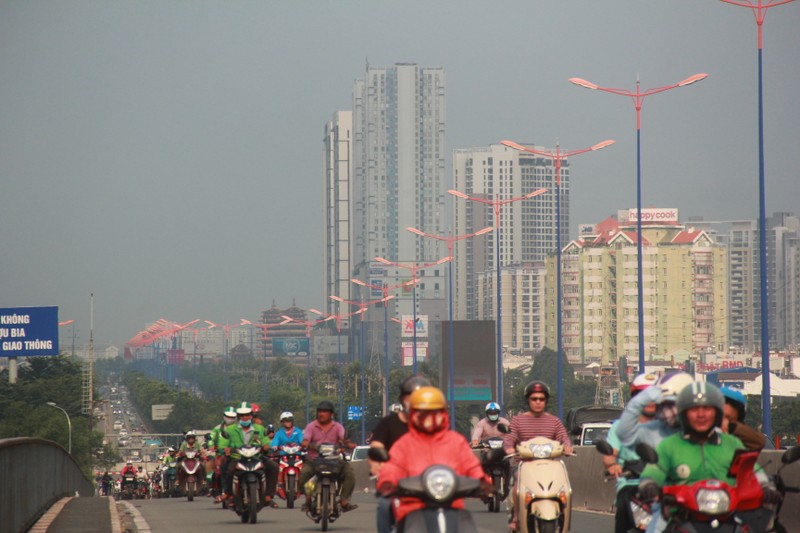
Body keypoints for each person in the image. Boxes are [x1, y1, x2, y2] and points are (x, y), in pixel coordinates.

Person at [638, 381, 777, 533]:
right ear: (683, 413)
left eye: (707, 408)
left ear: (717, 413)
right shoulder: (669, 445)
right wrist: (649, 485)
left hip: (728, 517)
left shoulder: (731, 443)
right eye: (694, 409)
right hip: (681, 517)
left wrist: (766, 487)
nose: (701, 415)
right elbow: (654, 471)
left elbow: (751, 470)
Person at [377, 386, 489, 525]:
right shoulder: (404, 444)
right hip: (413, 511)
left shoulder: (456, 441)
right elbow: (392, 467)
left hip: (452, 509)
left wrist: (482, 482)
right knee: (384, 505)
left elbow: (471, 465)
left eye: (434, 412)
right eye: (422, 412)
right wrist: (388, 482)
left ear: (443, 413)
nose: (428, 417)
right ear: (413, 415)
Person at [503, 381, 572, 531]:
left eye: (541, 399)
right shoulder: (518, 420)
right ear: (528, 400)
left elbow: (564, 437)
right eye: (534, 399)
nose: (538, 402)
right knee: (516, 487)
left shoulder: (554, 421)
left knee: (565, 489)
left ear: (546, 401)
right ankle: (516, 516)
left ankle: (564, 517)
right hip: (525, 464)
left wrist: (567, 447)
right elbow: (509, 438)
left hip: (550, 465)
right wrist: (509, 449)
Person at [370, 374, 432, 533]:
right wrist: (378, 466)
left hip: (425, 479)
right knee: (384, 505)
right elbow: (377, 445)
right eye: (410, 396)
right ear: (402, 399)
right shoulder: (388, 423)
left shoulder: (431, 424)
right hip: (395, 478)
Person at [602, 373, 658, 533]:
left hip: (663, 487)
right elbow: (610, 453)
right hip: (631, 485)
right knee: (623, 508)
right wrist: (613, 465)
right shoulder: (621, 427)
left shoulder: (670, 427)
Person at [298, 400, 358, 513]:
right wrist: (308, 444)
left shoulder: (338, 427)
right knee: (304, 474)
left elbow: (343, 439)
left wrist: (348, 444)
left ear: (331, 414)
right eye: (319, 411)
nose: (321, 414)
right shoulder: (311, 426)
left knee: (350, 473)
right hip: (314, 459)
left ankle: (344, 501)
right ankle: (308, 499)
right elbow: (306, 440)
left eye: (325, 411)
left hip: (334, 460)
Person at [615, 371, 695, 450]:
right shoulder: (655, 429)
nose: (667, 411)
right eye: (663, 404)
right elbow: (625, 436)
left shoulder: (701, 431)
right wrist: (638, 401)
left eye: (671, 404)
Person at [224, 401, 280, 508]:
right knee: (229, 470)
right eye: (242, 415)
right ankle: (230, 495)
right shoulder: (230, 430)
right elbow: (224, 442)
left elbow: (265, 440)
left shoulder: (259, 428)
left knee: (274, 467)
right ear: (238, 416)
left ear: (251, 415)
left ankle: (268, 495)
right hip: (238, 458)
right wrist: (226, 449)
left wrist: (266, 445)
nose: (245, 417)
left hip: (256, 457)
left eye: (247, 415)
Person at [720, 386, 767, 451]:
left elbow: (760, 442)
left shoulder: (742, 436)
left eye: (729, 418)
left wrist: (731, 427)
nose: (724, 421)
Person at [270, 411, 304, 499]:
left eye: (289, 421)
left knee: (304, 468)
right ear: (282, 422)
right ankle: (280, 485)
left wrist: (303, 446)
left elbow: (302, 441)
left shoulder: (298, 431)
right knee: (279, 468)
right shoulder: (279, 433)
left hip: (297, 455)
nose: (288, 423)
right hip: (283, 456)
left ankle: (302, 484)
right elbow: (274, 442)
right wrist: (274, 446)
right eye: (286, 421)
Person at [210, 405, 238, 502]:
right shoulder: (217, 428)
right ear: (224, 416)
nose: (229, 419)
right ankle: (219, 491)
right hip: (220, 454)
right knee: (218, 472)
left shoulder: (238, 428)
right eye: (227, 416)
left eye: (232, 417)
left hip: (235, 453)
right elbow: (212, 438)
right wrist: (211, 445)